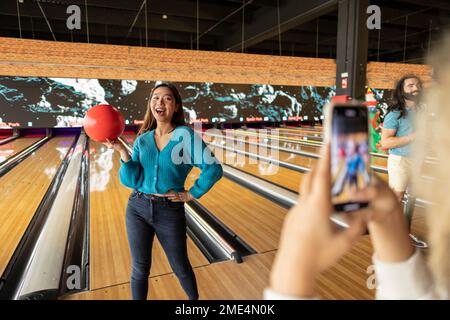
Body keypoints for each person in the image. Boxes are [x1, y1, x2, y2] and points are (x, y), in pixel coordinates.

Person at [264, 37, 450, 300]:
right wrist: (387, 222)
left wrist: (294, 266)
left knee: (403, 202)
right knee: (395, 202)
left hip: (414, 161)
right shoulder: (395, 114)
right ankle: (396, 233)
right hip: (400, 160)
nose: (417, 88)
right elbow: (385, 142)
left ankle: (400, 233)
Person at [105, 82, 223, 300]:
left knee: (180, 266)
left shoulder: (185, 137)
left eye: (167, 98)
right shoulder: (143, 140)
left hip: (169, 211)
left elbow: (213, 168)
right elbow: (132, 180)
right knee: (139, 268)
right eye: (155, 98)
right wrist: (123, 152)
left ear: (176, 106)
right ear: (150, 104)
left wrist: (191, 194)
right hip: (137, 207)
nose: (160, 102)